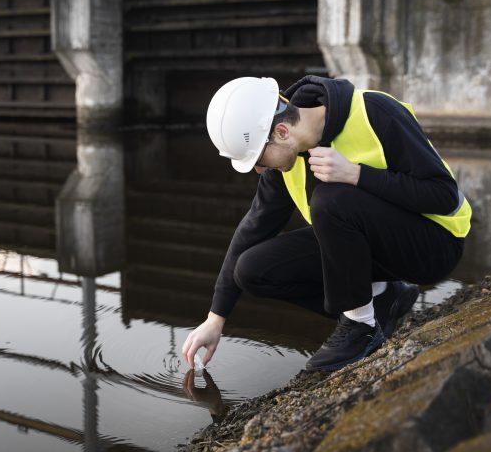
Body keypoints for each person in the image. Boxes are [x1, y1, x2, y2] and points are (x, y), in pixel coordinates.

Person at [181, 75, 471, 372]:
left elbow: (444, 195)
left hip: (435, 245)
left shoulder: (376, 112)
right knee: (252, 270)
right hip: (380, 252)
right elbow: (253, 227)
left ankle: (361, 329)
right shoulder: (287, 158)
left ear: (281, 131)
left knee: (331, 199)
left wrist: (358, 175)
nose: (258, 169)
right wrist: (216, 318)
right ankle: (383, 299)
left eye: (258, 158)